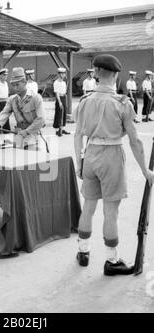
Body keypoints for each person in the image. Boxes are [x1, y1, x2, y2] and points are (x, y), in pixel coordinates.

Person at [74, 54, 154, 276]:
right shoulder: (123, 103)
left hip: (89, 154)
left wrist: (79, 162)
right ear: (117, 75)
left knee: (88, 207)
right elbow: (135, 141)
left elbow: (77, 135)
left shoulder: (85, 101)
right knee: (111, 212)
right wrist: (145, 170)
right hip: (111, 155)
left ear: (96, 73)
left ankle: (83, 251)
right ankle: (112, 260)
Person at [0, 67, 46, 152]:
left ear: (25, 82)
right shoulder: (12, 99)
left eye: (17, 84)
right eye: (13, 85)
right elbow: (5, 113)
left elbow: (41, 120)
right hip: (18, 137)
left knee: (33, 162)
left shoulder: (36, 98)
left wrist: (26, 132)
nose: (15, 88)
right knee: (18, 161)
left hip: (33, 137)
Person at [53, 67, 70, 137]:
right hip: (59, 98)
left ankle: (62, 128)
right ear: (59, 74)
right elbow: (57, 93)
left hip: (64, 97)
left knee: (64, 113)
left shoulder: (64, 82)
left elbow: (65, 92)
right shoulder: (56, 82)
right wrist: (59, 102)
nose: (64, 75)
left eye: (64, 73)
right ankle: (58, 130)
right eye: (62, 74)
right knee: (59, 113)